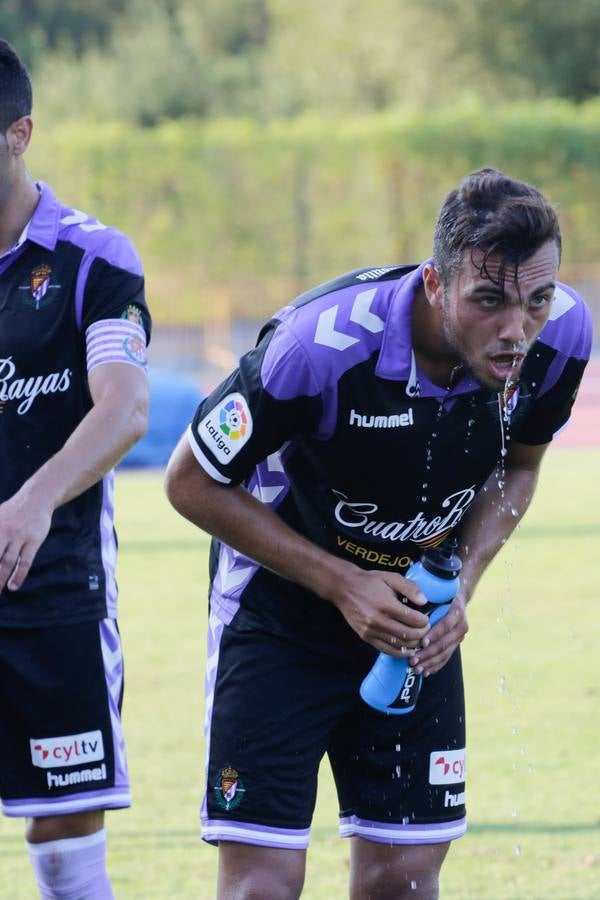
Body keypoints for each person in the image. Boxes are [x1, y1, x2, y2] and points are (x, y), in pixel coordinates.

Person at [165, 168, 591, 900]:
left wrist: (461, 582)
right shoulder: (318, 345)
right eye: (489, 299)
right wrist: (342, 583)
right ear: (434, 283)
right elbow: (190, 481)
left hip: (413, 630)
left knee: (405, 881)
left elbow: (520, 468)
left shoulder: (562, 337)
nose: (516, 329)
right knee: (262, 884)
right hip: (280, 617)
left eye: (536, 300)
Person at [0, 41, 151, 899]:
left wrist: (32, 501)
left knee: (63, 819)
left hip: (51, 587)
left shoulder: (92, 259)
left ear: (19, 134)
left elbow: (125, 406)